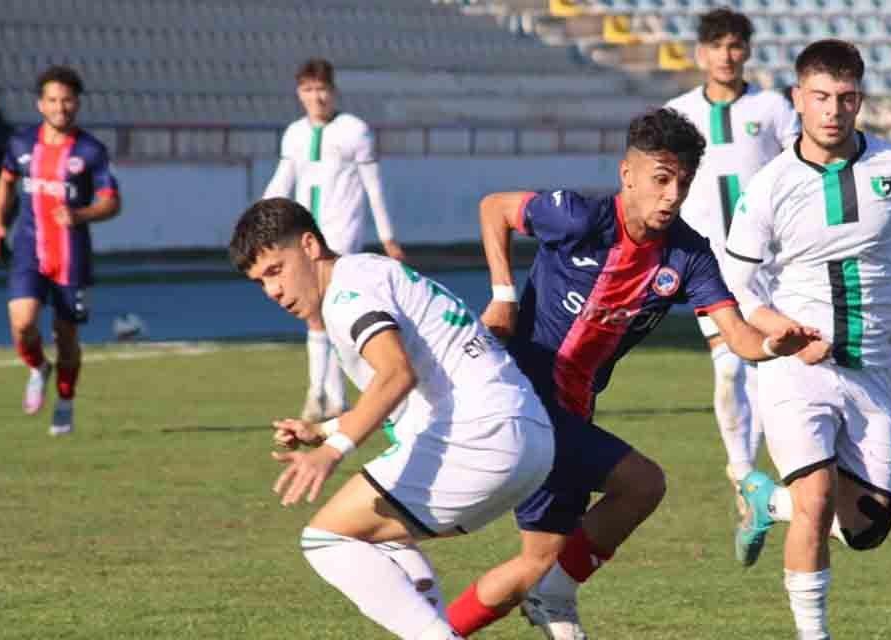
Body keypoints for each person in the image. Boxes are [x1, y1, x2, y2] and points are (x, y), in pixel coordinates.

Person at [442, 108, 819, 639]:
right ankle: (539, 599)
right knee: (640, 485)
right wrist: (504, 296)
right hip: (524, 402)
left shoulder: (688, 254)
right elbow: (494, 208)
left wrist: (774, 345)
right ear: (628, 176)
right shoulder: (578, 219)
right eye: (661, 180)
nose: (672, 195)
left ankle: (449, 625)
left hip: (573, 412)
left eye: (682, 183)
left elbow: (736, 335)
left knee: (539, 560)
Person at [720, 40, 891, 639]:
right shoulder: (770, 185)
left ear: (860, 100)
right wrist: (781, 333)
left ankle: (765, 502)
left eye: (846, 98)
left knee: (867, 528)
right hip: (795, 367)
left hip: (872, 367)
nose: (832, 110)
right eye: (820, 97)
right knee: (817, 497)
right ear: (798, 99)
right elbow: (736, 283)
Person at [229, 197, 555, 640]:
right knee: (381, 540)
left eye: (275, 270)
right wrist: (322, 429)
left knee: (327, 540)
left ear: (308, 246)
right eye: (259, 283)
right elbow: (409, 390)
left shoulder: (347, 297)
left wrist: (332, 451)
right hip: (529, 436)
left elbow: (395, 374)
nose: (273, 291)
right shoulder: (367, 271)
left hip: (478, 438)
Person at [662, 7, 800, 502]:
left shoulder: (773, 109)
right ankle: (742, 473)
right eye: (717, 45)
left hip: (767, 264)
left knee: (765, 367)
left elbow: (797, 171)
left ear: (747, 51)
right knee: (728, 366)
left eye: (736, 45)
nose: (727, 54)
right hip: (706, 265)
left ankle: (755, 481)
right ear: (701, 53)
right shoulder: (679, 113)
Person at [263, 58, 405, 424]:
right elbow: (283, 179)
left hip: (341, 233)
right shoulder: (294, 133)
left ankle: (327, 396)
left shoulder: (354, 130)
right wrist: (259, 216)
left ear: (333, 90)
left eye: (321, 89)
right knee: (315, 313)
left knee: (329, 311)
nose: (316, 97)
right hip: (301, 234)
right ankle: (324, 395)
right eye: (308, 90)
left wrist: (388, 237)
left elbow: (374, 188)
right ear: (299, 93)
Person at [0, 66, 121, 436]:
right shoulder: (20, 144)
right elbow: (6, 181)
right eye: (52, 100)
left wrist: (80, 213)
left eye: (67, 100)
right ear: (40, 104)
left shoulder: (90, 150)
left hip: (72, 257)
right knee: (22, 322)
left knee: (67, 339)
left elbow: (112, 202)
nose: (60, 107)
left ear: (76, 103)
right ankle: (37, 368)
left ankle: (65, 402)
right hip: (29, 251)